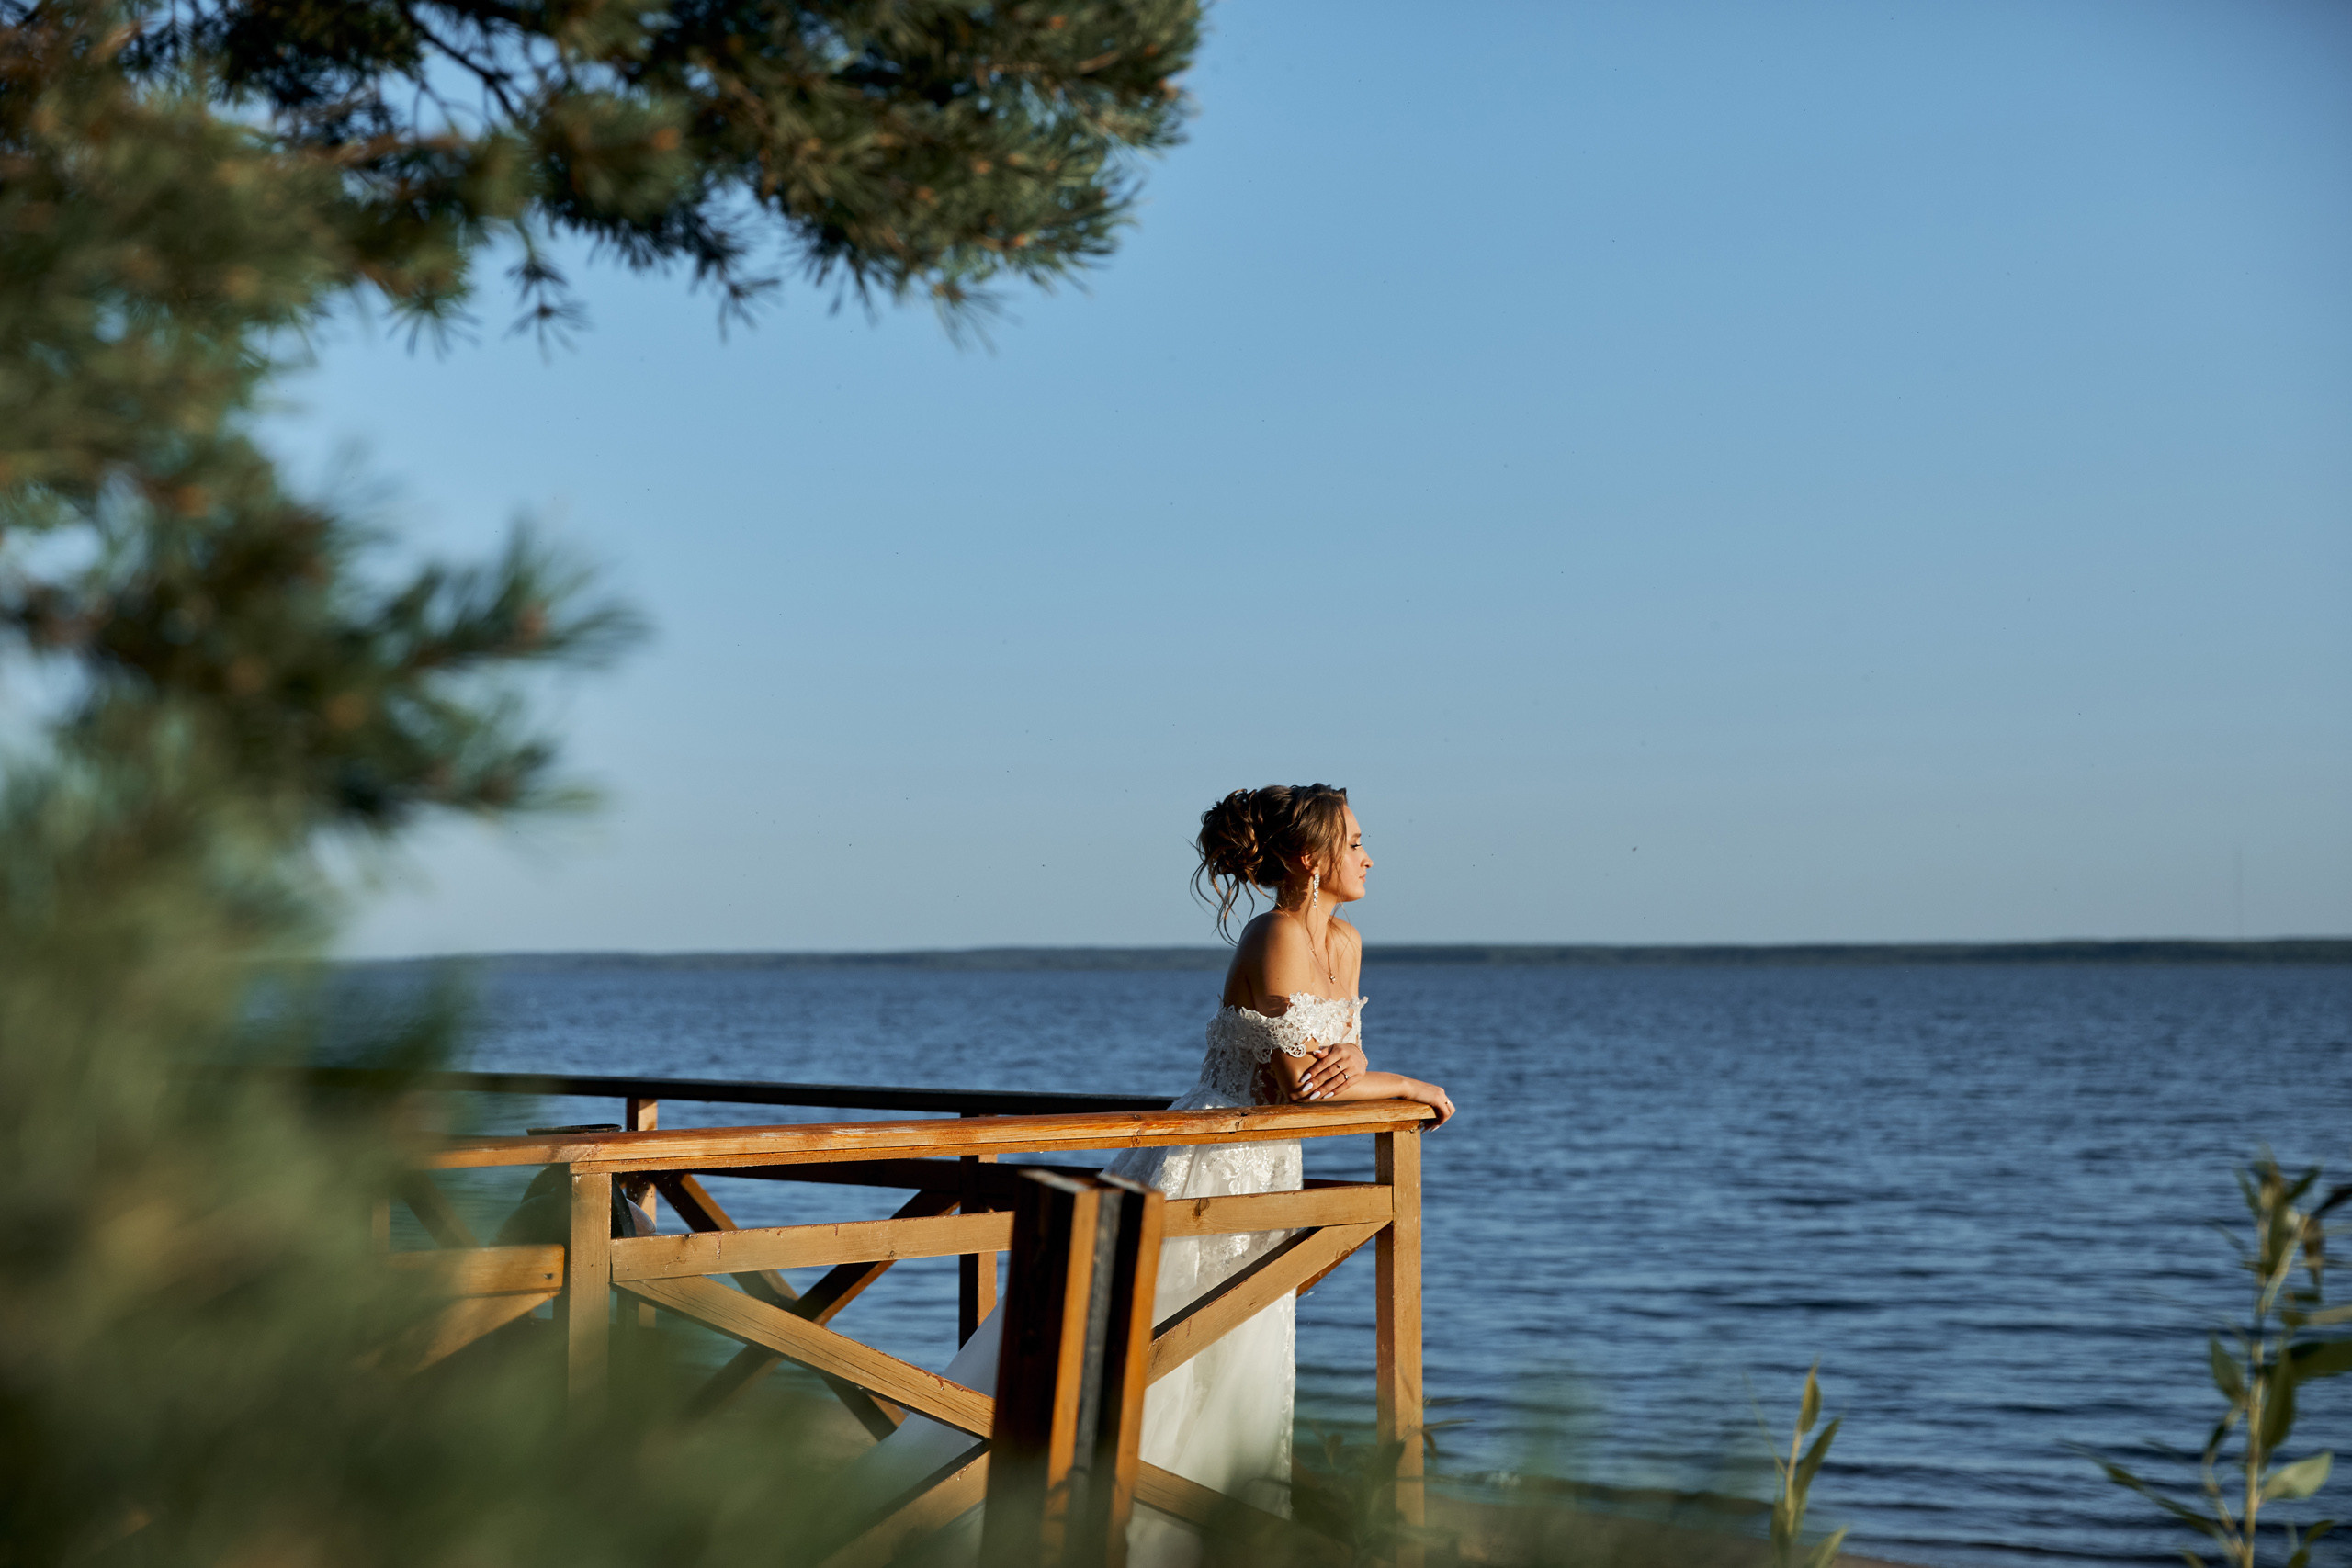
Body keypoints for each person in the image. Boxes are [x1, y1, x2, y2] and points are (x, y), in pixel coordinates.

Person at [846, 783, 1454, 1562]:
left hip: (1270, 1168)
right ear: (1311, 857)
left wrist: (1364, 1060)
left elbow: (1333, 1067)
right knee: (1150, 1353)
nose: (1370, 854)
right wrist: (1410, 1085)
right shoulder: (1274, 935)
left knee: (1242, 1364)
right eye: (1357, 840)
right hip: (1206, 1164)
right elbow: (1300, 1081)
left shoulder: (1349, 942)